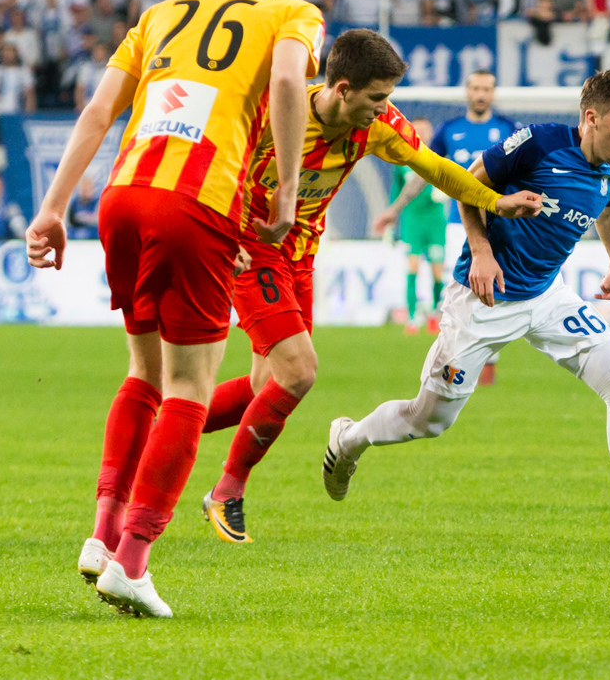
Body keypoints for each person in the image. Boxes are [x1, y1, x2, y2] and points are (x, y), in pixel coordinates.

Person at [25, 0, 325, 618]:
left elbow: (99, 109)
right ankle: (133, 558)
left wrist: (51, 207)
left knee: (143, 373)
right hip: (198, 204)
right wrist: (285, 185)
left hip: (123, 196)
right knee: (190, 386)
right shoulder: (294, 12)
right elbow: (288, 81)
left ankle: (101, 537)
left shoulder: (163, 11)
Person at [197, 31, 540, 544]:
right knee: (298, 373)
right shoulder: (276, 111)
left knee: (262, 385)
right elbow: (212, 164)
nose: (386, 108)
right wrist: (222, 233)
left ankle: (166, 424)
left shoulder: (379, 126)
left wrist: (496, 203)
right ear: (341, 89)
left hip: (300, 252)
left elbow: (437, 169)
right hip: (251, 245)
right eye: (377, 98)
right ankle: (227, 489)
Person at [322, 69, 610, 544]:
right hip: (483, 297)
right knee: (428, 420)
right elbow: (468, 184)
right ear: (592, 117)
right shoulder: (537, 144)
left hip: (547, 296)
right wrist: (482, 251)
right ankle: (348, 440)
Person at [428, 69, 518, 381]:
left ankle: (487, 370)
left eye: (487, 89)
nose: (481, 94)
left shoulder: (508, 129)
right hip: (459, 225)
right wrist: (396, 208)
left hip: (497, 224)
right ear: (467, 91)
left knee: (491, 292)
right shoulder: (449, 130)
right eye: (476, 88)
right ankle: (450, 364)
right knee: (457, 294)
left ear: (493, 93)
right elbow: (427, 170)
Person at [374, 116, 452, 334]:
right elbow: (396, 193)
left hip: (435, 219)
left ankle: (436, 314)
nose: (423, 135)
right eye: (418, 130)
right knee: (412, 266)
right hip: (411, 219)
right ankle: (412, 316)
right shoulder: (402, 161)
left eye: (426, 131)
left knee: (438, 269)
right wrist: (391, 225)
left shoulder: (439, 159)